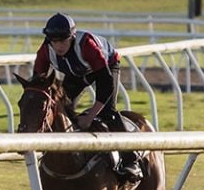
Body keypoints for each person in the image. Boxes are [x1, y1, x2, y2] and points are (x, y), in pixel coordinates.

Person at [32, 12, 144, 181]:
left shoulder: (87, 46)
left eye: (63, 41)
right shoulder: (45, 51)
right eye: (54, 42)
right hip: (77, 72)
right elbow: (37, 82)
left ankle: (131, 160)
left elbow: (106, 84)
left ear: (72, 37)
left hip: (106, 67)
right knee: (61, 109)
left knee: (107, 112)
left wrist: (91, 116)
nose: (59, 46)